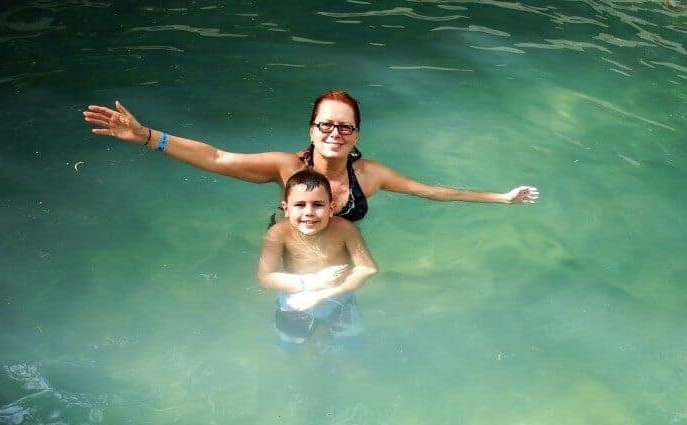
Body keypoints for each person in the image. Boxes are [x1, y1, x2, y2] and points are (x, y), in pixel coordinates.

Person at [83, 89, 538, 226]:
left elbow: (435, 191)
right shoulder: (287, 167)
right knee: (295, 331)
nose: (335, 133)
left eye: (345, 126)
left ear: (356, 133)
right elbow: (219, 158)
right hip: (290, 254)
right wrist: (148, 137)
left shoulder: (370, 174)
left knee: (343, 331)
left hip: (337, 256)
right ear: (312, 130)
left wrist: (501, 198)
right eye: (327, 125)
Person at [257, 169, 378, 347]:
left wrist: (322, 294)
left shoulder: (344, 230)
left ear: (331, 208)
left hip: (338, 297)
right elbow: (265, 277)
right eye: (299, 205)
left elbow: (367, 268)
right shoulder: (278, 233)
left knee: (351, 346)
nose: (309, 212)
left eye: (318, 205)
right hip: (295, 299)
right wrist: (311, 283)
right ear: (286, 209)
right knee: (290, 347)